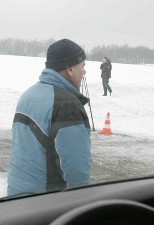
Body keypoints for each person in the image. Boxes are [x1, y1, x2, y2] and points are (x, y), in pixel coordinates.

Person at [7, 38, 91, 196]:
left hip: (16, 195)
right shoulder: (66, 104)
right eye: (82, 66)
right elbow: (77, 172)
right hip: (45, 204)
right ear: (70, 70)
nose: (84, 71)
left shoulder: (28, 94)